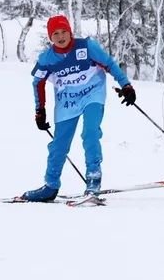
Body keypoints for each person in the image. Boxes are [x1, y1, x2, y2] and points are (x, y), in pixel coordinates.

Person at [20, 15, 136, 202]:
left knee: (90, 133)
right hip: (67, 101)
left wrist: (126, 85)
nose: (60, 36)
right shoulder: (46, 58)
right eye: (55, 33)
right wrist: (40, 110)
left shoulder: (86, 46)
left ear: (70, 31)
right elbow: (38, 83)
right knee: (59, 145)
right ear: (50, 37)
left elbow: (109, 63)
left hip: (93, 94)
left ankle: (93, 178)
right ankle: (50, 186)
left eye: (64, 31)